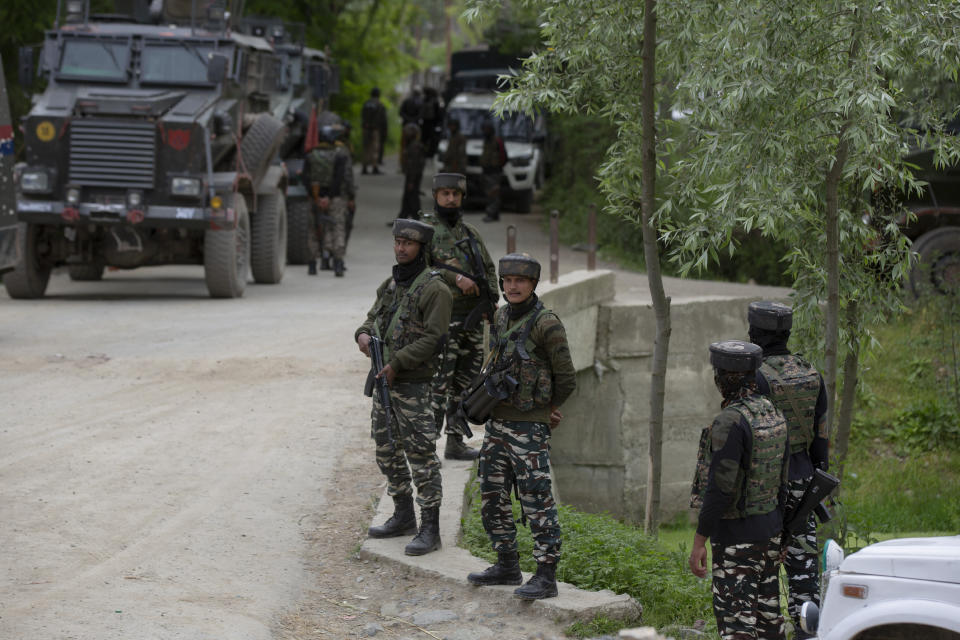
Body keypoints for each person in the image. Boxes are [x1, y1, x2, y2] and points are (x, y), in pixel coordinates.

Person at [465, 253, 577, 600]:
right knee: (492, 495)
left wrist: (547, 409)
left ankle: (546, 575)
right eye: (508, 280)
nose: (513, 286)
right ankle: (507, 564)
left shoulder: (547, 323)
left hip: (529, 429)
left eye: (521, 281)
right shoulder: (499, 316)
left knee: (536, 498)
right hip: (498, 423)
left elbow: (567, 378)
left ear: (532, 285)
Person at [355, 219, 453, 556]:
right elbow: (371, 318)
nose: (401, 249)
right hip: (385, 383)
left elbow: (435, 338)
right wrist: (363, 335)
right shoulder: (390, 286)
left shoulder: (434, 288)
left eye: (408, 244)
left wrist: (398, 363)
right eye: (397, 242)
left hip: (413, 386)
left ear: (421, 248)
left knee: (421, 456)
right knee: (386, 450)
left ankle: (430, 527)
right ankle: (402, 514)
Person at [689, 340, 790, 640]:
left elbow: (719, 489)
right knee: (768, 622)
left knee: (737, 626)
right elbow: (781, 481)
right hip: (770, 532)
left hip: (737, 539)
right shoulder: (772, 412)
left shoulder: (729, 421)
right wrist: (782, 532)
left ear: (723, 379)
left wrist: (699, 541)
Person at [748, 301, 829, 640]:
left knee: (761, 567)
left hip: (766, 486)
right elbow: (821, 432)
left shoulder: (755, 377)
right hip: (805, 480)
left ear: (755, 334)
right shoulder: (811, 372)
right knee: (803, 566)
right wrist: (817, 473)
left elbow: (748, 433)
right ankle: (808, 631)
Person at [422, 173, 499, 460]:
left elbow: (489, 269)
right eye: (445, 194)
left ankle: (455, 442)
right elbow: (420, 269)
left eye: (455, 194)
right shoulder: (426, 231)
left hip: (472, 320)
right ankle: (428, 447)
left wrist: (492, 300)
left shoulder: (470, 234)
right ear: (436, 197)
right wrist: (455, 278)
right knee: (439, 385)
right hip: (442, 320)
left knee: (465, 384)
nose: (451, 199)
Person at [308, 121, 355, 277]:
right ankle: (338, 263)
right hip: (335, 198)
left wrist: (317, 197)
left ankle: (313, 264)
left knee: (314, 229)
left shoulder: (310, 155)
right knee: (338, 228)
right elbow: (340, 178)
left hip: (314, 198)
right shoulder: (340, 155)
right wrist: (330, 197)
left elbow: (306, 178)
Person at [479, 121, 506, 222]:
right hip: (487, 171)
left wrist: (498, 168)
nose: (485, 132)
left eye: (486, 130)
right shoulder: (486, 141)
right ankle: (495, 214)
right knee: (490, 194)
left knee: (493, 194)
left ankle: (491, 213)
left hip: (494, 172)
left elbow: (504, 156)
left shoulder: (497, 141)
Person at [399, 123, 425, 220]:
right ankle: (403, 216)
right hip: (412, 176)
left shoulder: (414, 146)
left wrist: (411, 181)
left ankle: (417, 217)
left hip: (413, 176)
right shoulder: (413, 145)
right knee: (407, 197)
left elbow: (413, 165)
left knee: (413, 197)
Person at [361, 87, 387, 175]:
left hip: (365, 128)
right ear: (378, 94)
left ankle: (364, 167)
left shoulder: (366, 103)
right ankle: (374, 167)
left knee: (366, 147)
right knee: (375, 148)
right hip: (375, 130)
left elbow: (363, 116)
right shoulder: (380, 104)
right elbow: (383, 119)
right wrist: (384, 131)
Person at [421, 87, 443, 159]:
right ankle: (428, 153)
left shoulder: (426, 100)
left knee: (427, 139)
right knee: (430, 139)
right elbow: (439, 114)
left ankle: (427, 153)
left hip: (428, 123)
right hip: (430, 123)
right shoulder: (434, 101)